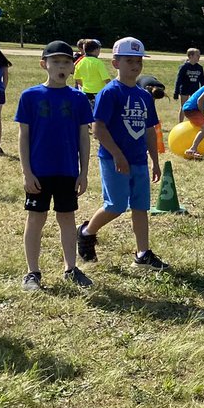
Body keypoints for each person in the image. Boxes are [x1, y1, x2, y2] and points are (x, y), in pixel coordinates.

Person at [76, 37, 170, 271]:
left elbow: (149, 130)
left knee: (140, 207)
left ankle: (142, 253)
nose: (135, 66)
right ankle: (86, 232)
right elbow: (98, 128)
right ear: (116, 63)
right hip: (114, 159)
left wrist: (155, 161)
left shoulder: (144, 96)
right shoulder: (110, 93)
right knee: (116, 206)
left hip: (138, 160)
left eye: (138, 61)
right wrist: (117, 155)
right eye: (129, 61)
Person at [15, 41, 96, 290]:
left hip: (67, 171)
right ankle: (32, 272)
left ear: (73, 67)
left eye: (66, 62)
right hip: (39, 172)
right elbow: (24, 136)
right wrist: (27, 172)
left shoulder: (79, 99)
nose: (61, 66)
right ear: (44, 65)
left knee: (67, 218)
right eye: (56, 62)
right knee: (36, 219)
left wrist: (83, 172)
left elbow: (84, 138)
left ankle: (70, 268)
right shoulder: (30, 96)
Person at [73, 39, 112, 110]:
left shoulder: (80, 62)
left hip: (86, 92)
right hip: (98, 93)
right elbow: (106, 79)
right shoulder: (98, 63)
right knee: (98, 112)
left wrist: (84, 85)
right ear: (96, 50)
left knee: (88, 112)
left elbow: (77, 78)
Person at [173, 48, 204, 123]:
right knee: (184, 107)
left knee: (193, 108)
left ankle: (192, 122)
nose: (199, 57)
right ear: (190, 56)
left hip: (195, 90)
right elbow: (179, 80)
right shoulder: (184, 67)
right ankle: (180, 123)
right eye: (197, 55)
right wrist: (176, 92)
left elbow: (202, 81)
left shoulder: (199, 68)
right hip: (185, 89)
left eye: (199, 55)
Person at [138, 74, 168, 154]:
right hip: (139, 81)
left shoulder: (161, 87)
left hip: (151, 79)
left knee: (150, 107)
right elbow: (148, 103)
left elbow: (152, 103)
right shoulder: (145, 91)